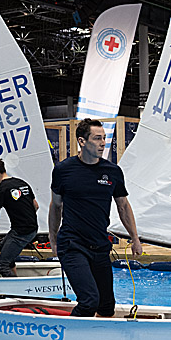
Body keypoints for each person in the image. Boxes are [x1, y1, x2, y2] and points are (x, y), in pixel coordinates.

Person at [49, 119, 142, 318]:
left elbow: (123, 206)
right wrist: (52, 237)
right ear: (82, 141)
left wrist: (135, 238)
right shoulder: (63, 170)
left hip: (100, 246)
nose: (103, 143)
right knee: (90, 300)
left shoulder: (112, 172)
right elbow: (56, 206)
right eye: (97, 138)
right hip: (72, 244)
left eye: (104, 138)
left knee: (107, 307)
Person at [0, 157, 40, 277]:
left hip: (22, 232)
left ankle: (16, 290)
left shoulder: (0, 190)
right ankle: (14, 275)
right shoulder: (22, 183)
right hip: (30, 228)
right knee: (2, 246)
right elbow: (36, 206)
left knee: (1, 265)